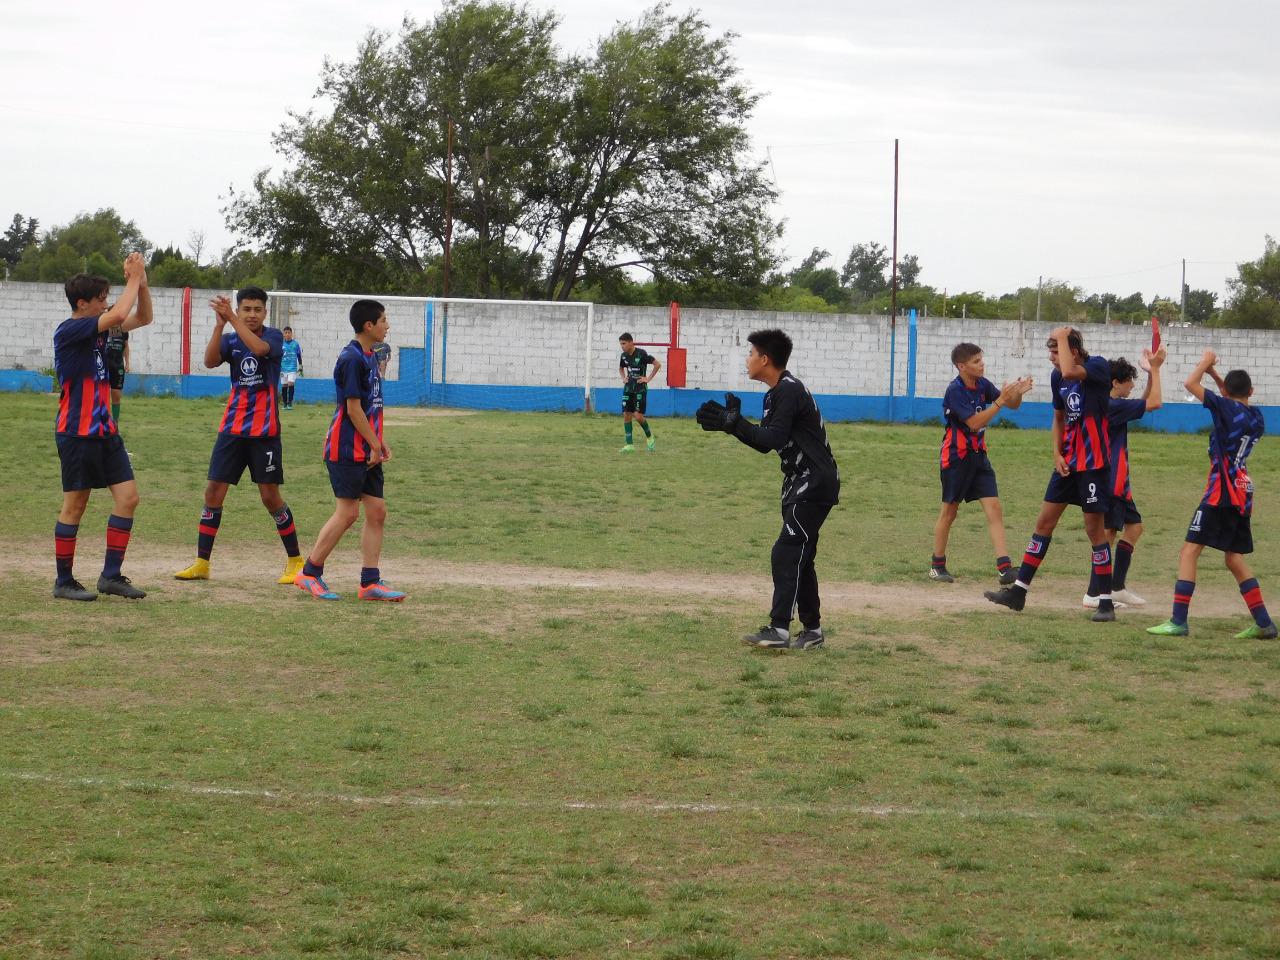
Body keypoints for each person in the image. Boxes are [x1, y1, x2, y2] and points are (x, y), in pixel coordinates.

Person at [697, 328, 839, 650]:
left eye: (751, 354)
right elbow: (766, 443)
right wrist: (730, 426)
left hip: (813, 483)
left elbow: (772, 438)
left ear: (765, 359)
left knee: (785, 552)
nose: (747, 360)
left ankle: (778, 630)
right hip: (800, 483)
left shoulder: (788, 390)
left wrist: (734, 424)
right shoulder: (775, 393)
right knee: (801, 556)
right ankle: (812, 632)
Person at [985, 327, 1119, 622]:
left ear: (1073, 350)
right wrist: (1056, 454)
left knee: (1094, 531)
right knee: (1044, 523)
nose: (1051, 358)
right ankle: (1018, 592)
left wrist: (1064, 334)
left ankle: (1106, 602)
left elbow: (1072, 372)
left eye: (1055, 351)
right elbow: (1059, 418)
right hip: (1067, 464)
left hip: (1093, 465)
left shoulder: (1096, 366)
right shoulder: (1058, 376)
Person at [174, 287, 304, 586]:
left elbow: (259, 350)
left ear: (265, 313)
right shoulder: (231, 339)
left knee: (270, 497)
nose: (252, 314)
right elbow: (208, 361)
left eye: (257, 309)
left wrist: (232, 318)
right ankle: (202, 563)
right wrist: (220, 325)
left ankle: (296, 561)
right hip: (232, 428)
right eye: (246, 309)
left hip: (264, 432)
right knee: (213, 493)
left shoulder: (271, 338)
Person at [1147, 352, 1275, 639]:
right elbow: (1229, 398)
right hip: (1243, 493)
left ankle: (1178, 621)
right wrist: (1218, 377)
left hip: (1221, 492)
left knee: (1189, 551)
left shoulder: (1226, 410)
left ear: (1227, 393)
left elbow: (1190, 384)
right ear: (1251, 392)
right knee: (1234, 558)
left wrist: (1205, 362)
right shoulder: (1257, 417)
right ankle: (1264, 623)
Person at [51, 253, 153, 601]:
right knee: (75, 505)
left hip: (106, 432)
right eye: (100, 300)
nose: (106, 304)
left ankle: (111, 576)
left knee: (129, 498)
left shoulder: (97, 330)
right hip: (76, 433)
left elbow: (143, 316)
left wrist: (143, 283)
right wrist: (133, 279)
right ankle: (63, 582)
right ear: (82, 304)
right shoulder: (70, 329)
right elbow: (121, 313)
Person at [295, 299, 406, 602]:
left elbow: (370, 409)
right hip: (346, 449)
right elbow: (353, 410)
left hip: (367, 448)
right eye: (383, 320)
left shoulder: (370, 356)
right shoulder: (351, 359)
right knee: (347, 513)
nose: (387, 325)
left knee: (377, 511)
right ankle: (309, 573)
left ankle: (369, 583)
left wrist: (378, 441)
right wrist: (372, 442)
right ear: (368, 326)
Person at [930, 342, 1033, 584]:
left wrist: (1017, 392)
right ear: (961, 366)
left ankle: (1005, 568)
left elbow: (1012, 404)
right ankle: (937, 565)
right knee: (949, 512)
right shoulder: (954, 390)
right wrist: (999, 402)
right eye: (976, 361)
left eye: (981, 359)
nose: (982, 364)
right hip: (957, 457)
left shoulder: (982, 384)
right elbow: (974, 423)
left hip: (978, 456)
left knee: (994, 508)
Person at [1083, 348, 1165, 609]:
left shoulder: (1114, 405)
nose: (1132, 386)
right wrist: (1156, 369)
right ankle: (1094, 593)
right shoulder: (1112, 405)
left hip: (1120, 483)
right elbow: (1155, 403)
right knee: (1107, 536)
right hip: (1111, 482)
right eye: (1129, 381)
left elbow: (1143, 403)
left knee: (1134, 528)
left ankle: (1115, 587)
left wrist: (1150, 374)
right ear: (1115, 383)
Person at [618, 333, 660, 453]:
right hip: (628, 388)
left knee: (638, 416)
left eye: (624, 343)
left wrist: (648, 378)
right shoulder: (623, 356)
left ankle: (650, 437)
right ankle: (629, 445)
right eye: (621, 344)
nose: (622, 346)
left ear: (631, 342)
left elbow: (657, 364)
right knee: (626, 414)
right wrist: (623, 377)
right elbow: (621, 368)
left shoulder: (642, 354)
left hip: (639, 389)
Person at [105, 323, 129, 430]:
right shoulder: (103, 328)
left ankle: (115, 424)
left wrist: (127, 363)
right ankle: (102, 421)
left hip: (118, 365)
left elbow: (126, 347)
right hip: (104, 366)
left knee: (116, 394)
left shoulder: (124, 330)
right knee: (102, 394)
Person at [280, 325, 303, 409]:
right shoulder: (281, 344)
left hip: (292, 368)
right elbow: (278, 356)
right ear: (284, 334)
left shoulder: (295, 344)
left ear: (291, 334)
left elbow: (299, 355)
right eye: (285, 333)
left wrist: (300, 365)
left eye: (289, 332)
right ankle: (285, 404)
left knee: (291, 383)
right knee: (284, 385)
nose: (287, 334)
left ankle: (290, 403)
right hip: (283, 369)